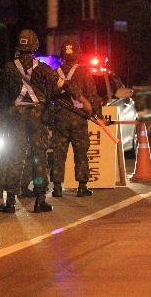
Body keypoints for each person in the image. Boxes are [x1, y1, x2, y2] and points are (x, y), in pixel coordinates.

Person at [0, 30, 92, 213]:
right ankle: (40, 200)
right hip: (37, 117)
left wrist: (4, 117)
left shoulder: (8, 69)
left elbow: (2, 99)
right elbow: (62, 85)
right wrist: (81, 99)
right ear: (34, 46)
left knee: (15, 157)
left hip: (16, 118)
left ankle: (10, 202)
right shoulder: (42, 68)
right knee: (39, 157)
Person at [50, 39, 102, 198]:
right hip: (78, 119)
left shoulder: (54, 72)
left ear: (62, 55)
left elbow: (48, 95)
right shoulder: (84, 72)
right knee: (81, 153)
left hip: (59, 118)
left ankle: (57, 187)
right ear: (78, 54)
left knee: (59, 153)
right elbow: (92, 95)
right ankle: (82, 186)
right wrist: (98, 114)